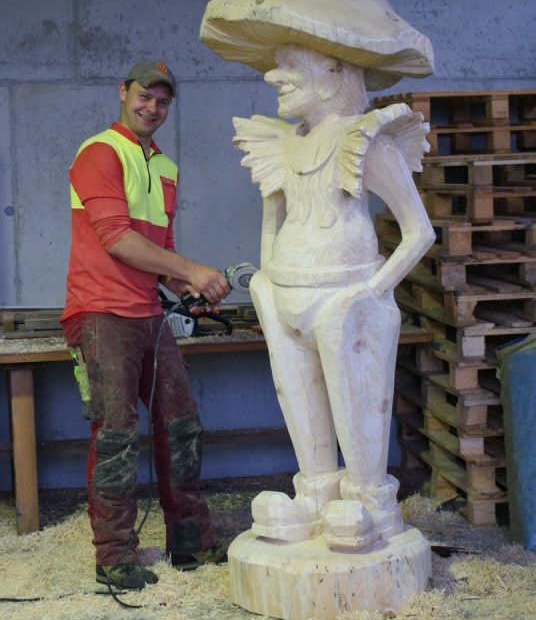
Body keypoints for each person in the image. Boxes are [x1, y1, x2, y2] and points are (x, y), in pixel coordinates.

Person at [233, 44, 435, 548]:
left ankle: (370, 500)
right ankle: (317, 494)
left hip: (347, 299)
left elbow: (419, 231)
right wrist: (266, 280)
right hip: (283, 295)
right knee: (297, 396)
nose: (274, 77)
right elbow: (273, 220)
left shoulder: (365, 141)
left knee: (356, 400)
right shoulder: (284, 144)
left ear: (331, 74)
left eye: (290, 67)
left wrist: (372, 292)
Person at [60, 60, 231, 590]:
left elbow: (159, 251)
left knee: (181, 426)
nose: (152, 107)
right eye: (144, 96)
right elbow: (116, 237)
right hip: (100, 312)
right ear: (123, 92)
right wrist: (192, 270)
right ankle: (114, 555)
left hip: (148, 314)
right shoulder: (100, 152)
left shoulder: (166, 167)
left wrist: (186, 287)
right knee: (115, 435)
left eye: (162, 101)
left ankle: (190, 541)